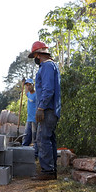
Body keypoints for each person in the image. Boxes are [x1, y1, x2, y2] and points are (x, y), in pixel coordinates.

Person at [28, 40, 60, 180]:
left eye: (35, 56)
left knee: (42, 139)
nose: (35, 59)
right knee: (49, 139)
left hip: (48, 109)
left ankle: (47, 171)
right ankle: (51, 170)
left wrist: (41, 107)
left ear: (38, 55)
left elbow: (48, 89)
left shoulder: (46, 66)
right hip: (52, 109)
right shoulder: (51, 66)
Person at [22, 78, 37, 155]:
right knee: (26, 136)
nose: (28, 87)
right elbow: (26, 93)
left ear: (33, 85)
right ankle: (23, 152)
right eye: (27, 85)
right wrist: (23, 83)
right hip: (29, 119)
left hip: (35, 120)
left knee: (35, 138)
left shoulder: (36, 95)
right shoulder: (29, 94)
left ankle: (35, 154)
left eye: (29, 85)